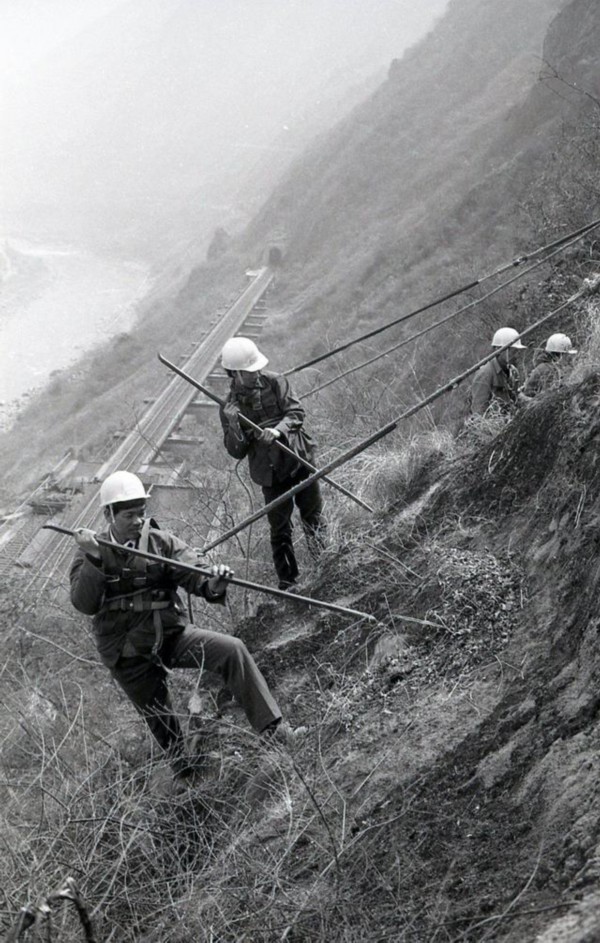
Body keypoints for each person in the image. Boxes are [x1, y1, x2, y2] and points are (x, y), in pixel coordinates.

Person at [70, 470, 284, 778]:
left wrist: (213, 582)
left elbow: (195, 573)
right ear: (108, 515)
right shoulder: (89, 551)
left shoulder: (160, 543)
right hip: (126, 652)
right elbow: (84, 603)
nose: (137, 521)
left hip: (170, 635)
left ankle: (273, 728)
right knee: (162, 722)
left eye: (141, 513)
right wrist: (94, 558)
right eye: (129, 515)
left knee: (232, 650)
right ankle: (187, 776)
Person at [219, 337, 324, 590]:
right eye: (249, 372)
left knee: (313, 518)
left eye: (257, 369)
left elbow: (296, 413)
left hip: (298, 458)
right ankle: (288, 584)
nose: (257, 374)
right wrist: (234, 424)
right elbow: (236, 451)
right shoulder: (228, 407)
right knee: (280, 530)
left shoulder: (276, 382)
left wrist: (278, 431)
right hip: (270, 473)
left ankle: (326, 564)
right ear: (235, 374)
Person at [470, 327, 526, 417]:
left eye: (517, 351)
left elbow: (515, 396)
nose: (516, 355)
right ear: (499, 350)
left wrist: (533, 403)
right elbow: (478, 412)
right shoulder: (485, 374)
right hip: (494, 422)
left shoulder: (513, 372)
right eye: (513, 351)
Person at [521, 332, 577, 398]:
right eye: (566, 354)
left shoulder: (547, 366)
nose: (569, 357)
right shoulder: (548, 369)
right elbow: (548, 397)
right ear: (559, 354)